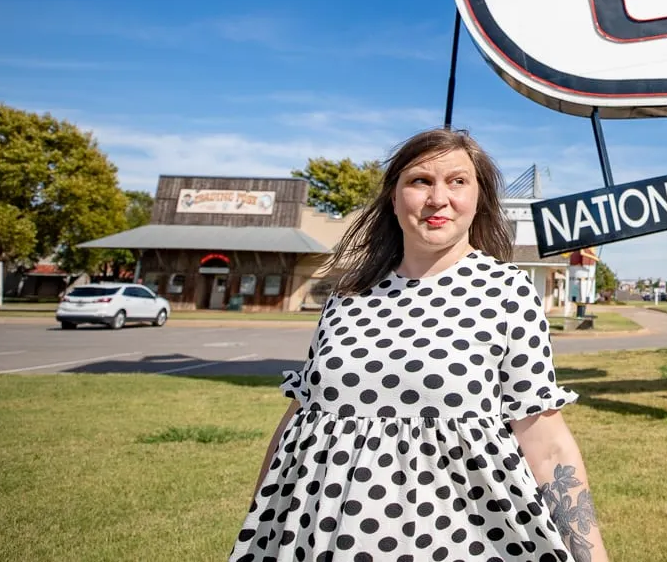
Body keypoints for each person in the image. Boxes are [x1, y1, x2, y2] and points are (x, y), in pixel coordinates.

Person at [230, 128, 610, 562]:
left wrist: (592, 558)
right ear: (394, 198)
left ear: (478, 199)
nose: (437, 198)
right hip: (320, 535)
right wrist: (262, 515)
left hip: (460, 539)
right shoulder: (348, 295)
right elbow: (303, 415)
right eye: (420, 181)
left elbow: (546, 442)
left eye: (457, 181)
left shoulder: (508, 292)